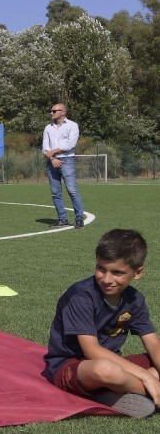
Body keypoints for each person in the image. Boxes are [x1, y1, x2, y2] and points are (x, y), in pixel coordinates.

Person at [43, 229, 160, 418]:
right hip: (74, 367)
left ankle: (114, 392)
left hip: (114, 362)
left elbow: (153, 343)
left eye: (117, 273)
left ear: (138, 273)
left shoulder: (135, 300)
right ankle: (146, 391)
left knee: (137, 363)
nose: (106, 279)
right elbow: (92, 351)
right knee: (105, 369)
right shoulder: (81, 296)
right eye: (101, 268)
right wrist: (145, 375)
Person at [42, 102, 85, 229]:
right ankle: (62, 219)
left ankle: (79, 219)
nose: (52, 113)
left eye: (54, 111)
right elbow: (45, 147)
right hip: (51, 162)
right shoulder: (48, 128)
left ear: (63, 112)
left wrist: (53, 152)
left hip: (67, 161)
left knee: (72, 191)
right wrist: (52, 158)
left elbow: (70, 145)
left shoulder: (72, 126)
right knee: (56, 193)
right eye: (51, 111)